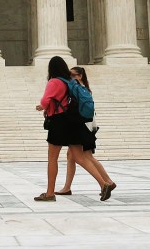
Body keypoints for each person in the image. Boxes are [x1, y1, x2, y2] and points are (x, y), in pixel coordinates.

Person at [34, 56, 113, 202]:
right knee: (80, 157)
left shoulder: (54, 81)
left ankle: (50, 193)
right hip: (73, 121)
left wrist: (42, 106)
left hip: (58, 122)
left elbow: (45, 101)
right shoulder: (70, 82)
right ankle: (104, 184)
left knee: (52, 158)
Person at [54, 67, 115, 197]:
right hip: (87, 126)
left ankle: (106, 182)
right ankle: (67, 187)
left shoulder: (75, 87)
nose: (69, 77)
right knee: (71, 156)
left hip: (79, 126)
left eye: (72, 74)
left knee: (85, 157)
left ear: (80, 76)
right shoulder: (85, 89)